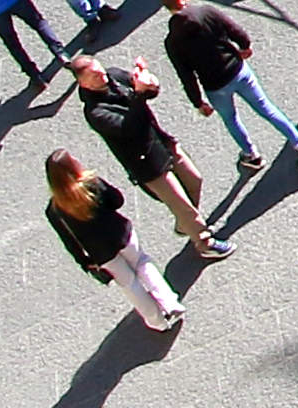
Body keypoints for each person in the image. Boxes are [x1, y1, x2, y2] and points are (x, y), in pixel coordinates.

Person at [69, 55, 223, 258]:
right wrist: (140, 94)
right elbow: (128, 128)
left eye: (100, 70)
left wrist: (149, 83)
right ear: (83, 83)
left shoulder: (113, 75)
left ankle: (185, 223)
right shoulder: (96, 112)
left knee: (194, 180)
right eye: (95, 76)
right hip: (147, 163)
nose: (102, 75)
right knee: (181, 204)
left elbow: (145, 89)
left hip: (161, 142)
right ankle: (204, 242)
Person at [157, 0, 298, 176]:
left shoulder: (172, 41)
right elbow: (235, 30)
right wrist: (245, 46)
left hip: (215, 86)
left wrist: (198, 102)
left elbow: (185, 74)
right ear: (180, 0)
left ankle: (252, 155)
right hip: (238, 71)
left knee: (231, 119)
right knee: (266, 108)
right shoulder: (207, 11)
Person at [45, 150, 180, 333]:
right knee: (143, 263)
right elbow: (117, 200)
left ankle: (157, 322)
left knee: (130, 285)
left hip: (101, 253)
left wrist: (85, 263)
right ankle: (170, 302)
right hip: (122, 234)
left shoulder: (54, 210)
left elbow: (69, 242)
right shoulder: (91, 183)